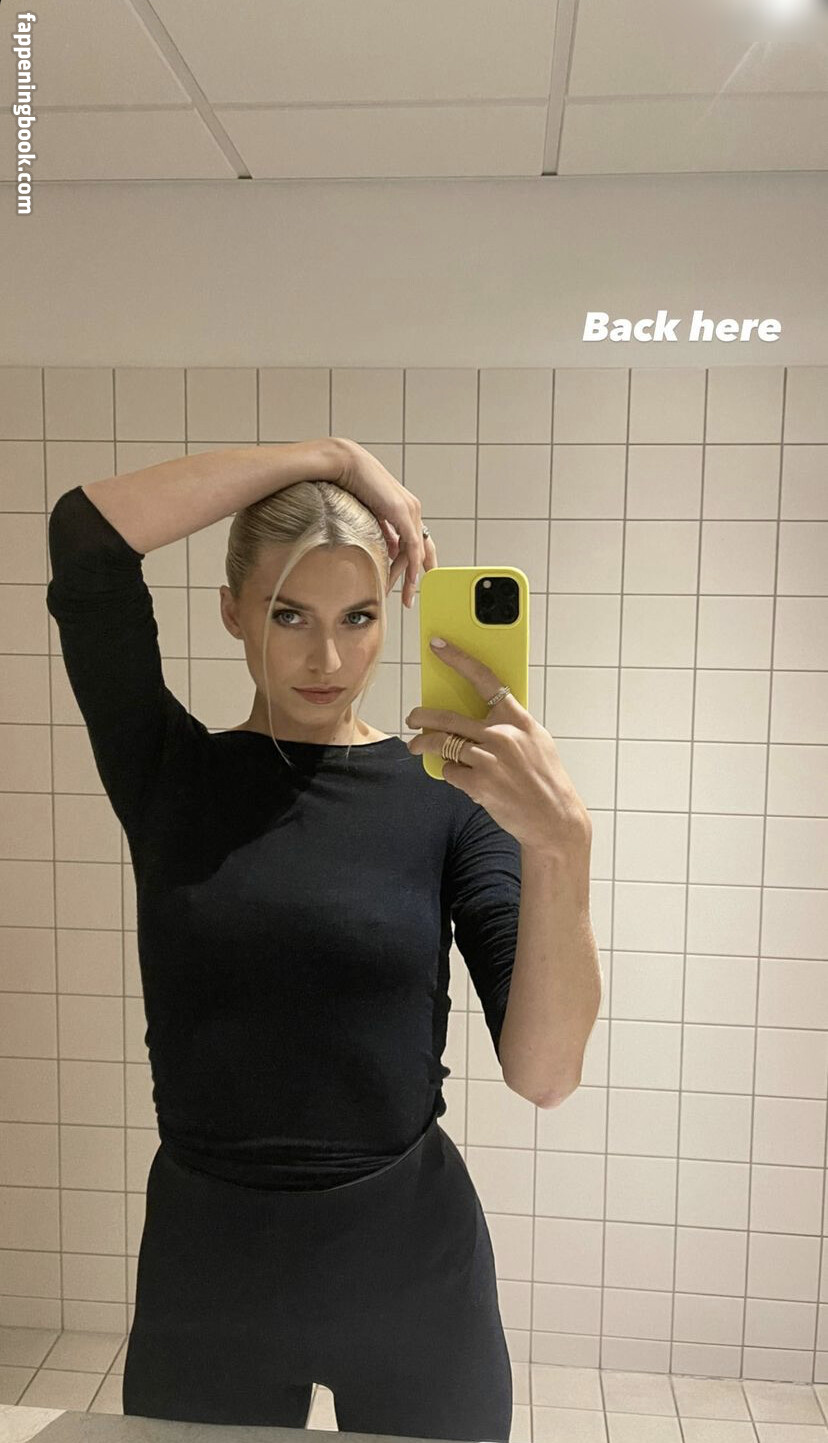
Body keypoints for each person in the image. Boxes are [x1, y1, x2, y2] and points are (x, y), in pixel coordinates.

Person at [45, 436, 520, 1440]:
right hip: (210, 1270)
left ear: (390, 613)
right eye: (288, 613)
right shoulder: (169, 774)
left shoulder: (447, 797)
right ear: (232, 611)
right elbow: (86, 537)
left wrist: (564, 848)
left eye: (357, 617)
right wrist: (334, 456)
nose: (327, 659)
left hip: (409, 1265)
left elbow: (544, 1064)